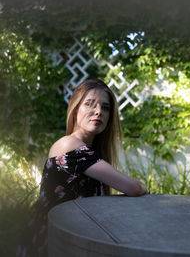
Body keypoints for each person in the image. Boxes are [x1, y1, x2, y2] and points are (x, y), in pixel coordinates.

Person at [16, 78, 148, 257]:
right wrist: (141, 186)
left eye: (105, 107)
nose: (98, 112)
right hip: (51, 243)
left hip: (71, 241)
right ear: (75, 109)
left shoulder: (90, 152)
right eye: (89, 104)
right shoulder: (69, 145)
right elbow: (133, 188)